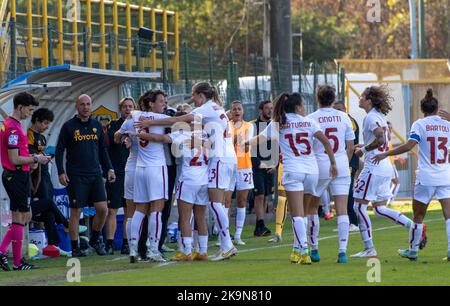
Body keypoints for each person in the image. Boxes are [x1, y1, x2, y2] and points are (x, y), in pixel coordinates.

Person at [136, 82, 238, 261]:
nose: (193, 99)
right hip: (217, 165)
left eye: (194, 95)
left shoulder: (193, 122)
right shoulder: (210, 121)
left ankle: (212, 246)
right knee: (205, 210)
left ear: (200, 95)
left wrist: (147, 125)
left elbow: (165, 132)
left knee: (199, 210)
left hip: (201, 170)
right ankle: (206, 249)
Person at [249, 92, 337, 265]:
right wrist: (333, 163)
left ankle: (303, 250)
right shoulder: (310, 122)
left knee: (296, 214)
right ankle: (298, 249)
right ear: (297, 107)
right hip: (312, 172)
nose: (304, 107)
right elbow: (326, 142)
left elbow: (257, 140)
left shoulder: (279, 123)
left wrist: (239, 142)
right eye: (303, 105)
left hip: (293, 171)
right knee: (305, 213)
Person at [351, 86, 422, 258]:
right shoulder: (379, 117)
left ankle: (369, 248)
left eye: (362, 96)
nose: (359, 98)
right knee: (379, 208)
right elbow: (382, 140)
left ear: (369, 100)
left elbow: (380, 139)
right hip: (384, 167)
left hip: (374, 166)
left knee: (358, 206)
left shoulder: (371, 117)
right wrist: (364, 145)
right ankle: (413, 226)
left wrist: (364, 150)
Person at [375, 89, 445, 260]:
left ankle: (413, 251)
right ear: (437, 109)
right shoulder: (447, 124)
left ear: (423, 109)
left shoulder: (419, 124)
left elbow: (409, 146)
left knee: (418, 216)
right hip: (445, 175)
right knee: (448, 216)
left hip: (426, 177)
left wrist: (385, 154)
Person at [133, 122, 211, 261]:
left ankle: (187, 251)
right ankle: (203, 251)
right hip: (204, 179)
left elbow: (160, 138)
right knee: (200, 216)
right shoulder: (206, 135)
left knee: (185, 217)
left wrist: (140, 134)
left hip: (188, 179)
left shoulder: (182, 134)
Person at [55, 94, 116, 257]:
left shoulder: (97, 125)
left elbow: (103, 150)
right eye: (82, 104)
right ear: (77, 106)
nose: (85, 107)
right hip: (76, 175)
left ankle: (95, 239)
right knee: (76, 211)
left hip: (95, 174)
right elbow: (59, 150)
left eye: (88, 104)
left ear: (91, 105)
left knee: (103, 209)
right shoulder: (68, 126)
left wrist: (109, 168)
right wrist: (61, 171)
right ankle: (75, 247)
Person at [117, 89, 170, 263]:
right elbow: (178, 120)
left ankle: (133, 248)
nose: (164, 104)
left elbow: (117, 135)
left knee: (138, 210)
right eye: (161, 101)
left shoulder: (134, 116)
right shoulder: (158, 118)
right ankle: (154, 249)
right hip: (155, 167)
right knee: (156, 209)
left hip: (137, 167)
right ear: (150, 104)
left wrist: (126, 136)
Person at [0, 92, 51, 271]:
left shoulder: (12, 124)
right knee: (21, 216)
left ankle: (8, 255)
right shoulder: (13, 128)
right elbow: (14, 159)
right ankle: (16, 261)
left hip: (16, 175)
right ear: (20, 107)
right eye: (29, 110)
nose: (30, 114)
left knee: (22, 216)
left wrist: (32, 158)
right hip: (16, 175)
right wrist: (35, 159)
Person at [306, 85, 355, 263]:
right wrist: (343, 163)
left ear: (317, 98)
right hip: (341, 163)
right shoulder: (344, 117)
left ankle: (314, 249)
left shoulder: (311, 118)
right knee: (342, 209)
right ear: (334, 99)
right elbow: (350, 147)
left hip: (319, 164)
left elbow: (307, 146)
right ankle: (342, 251)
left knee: (312, 207)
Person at [28, 107, 70, 252]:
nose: (46, 127)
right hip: (36, 178)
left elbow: (41, 153)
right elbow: (30, 155)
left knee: (48, 209)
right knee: (47, 204)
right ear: (37, 121)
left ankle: (53, 245)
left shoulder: (42, 137)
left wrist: (46, 157)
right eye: (45, 123)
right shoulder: (29, 135)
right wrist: (41, 159)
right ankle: (64, 222)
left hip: (45, 176)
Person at [104, 97, 136, 255]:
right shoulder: (114, 125)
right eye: (125, 106)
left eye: (130, 106)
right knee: (112, 210)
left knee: (129, 210)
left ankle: (126, 242)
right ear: (120, 108)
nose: (127, 109)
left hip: (132, 173)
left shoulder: (138, 125)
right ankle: (109, 243)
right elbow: (111, 143)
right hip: (116, 173)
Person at [225, 101, 254, 245]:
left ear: (243, 111)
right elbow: (226, 142)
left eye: (239, 109)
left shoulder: (249, 126)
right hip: (228, 166)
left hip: (244, 166)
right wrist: (237, 140)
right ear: (230, 111)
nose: (236, 111)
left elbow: (246, 147)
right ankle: (224, 235)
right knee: (226, 201)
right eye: (234, 109)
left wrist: (237, 141)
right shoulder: (226, 125)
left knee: (242, 201)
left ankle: (237, 235)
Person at [332, 100, 360, 232]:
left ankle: (353, 221)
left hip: (348, 161)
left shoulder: (349, 121)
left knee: (347, 192)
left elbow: (350, 144)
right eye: (335, 109)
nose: (337, 112)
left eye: (339, 109)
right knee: (340, 192)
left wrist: (346, 161)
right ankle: (345, 221)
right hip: (339, 161)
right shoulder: (337, 121)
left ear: (345, 109)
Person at [250, 100, 276, 237]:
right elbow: (249, 148)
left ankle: (261, 224)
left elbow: (278, 146)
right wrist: (261, 163)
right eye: (267, 108)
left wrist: (275, 164)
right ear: (261, 110)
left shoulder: (274, 125)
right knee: (259, 195)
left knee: (266, 196)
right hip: (257, 166)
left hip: (270, 166)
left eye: (272, 108)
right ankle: (259, 224)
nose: (270, 111)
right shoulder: (253, 126)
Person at [386, 121, 401, 205]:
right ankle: (390, 201)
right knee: (396, 183)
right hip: (389, 166)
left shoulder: (388, 139)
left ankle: (387, 201)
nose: (390, 129)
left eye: (391, 128)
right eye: (389, 128)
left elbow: (389, 153)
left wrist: (396, 157)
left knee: (389, 184)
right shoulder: (385, 139)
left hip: (389, 165)